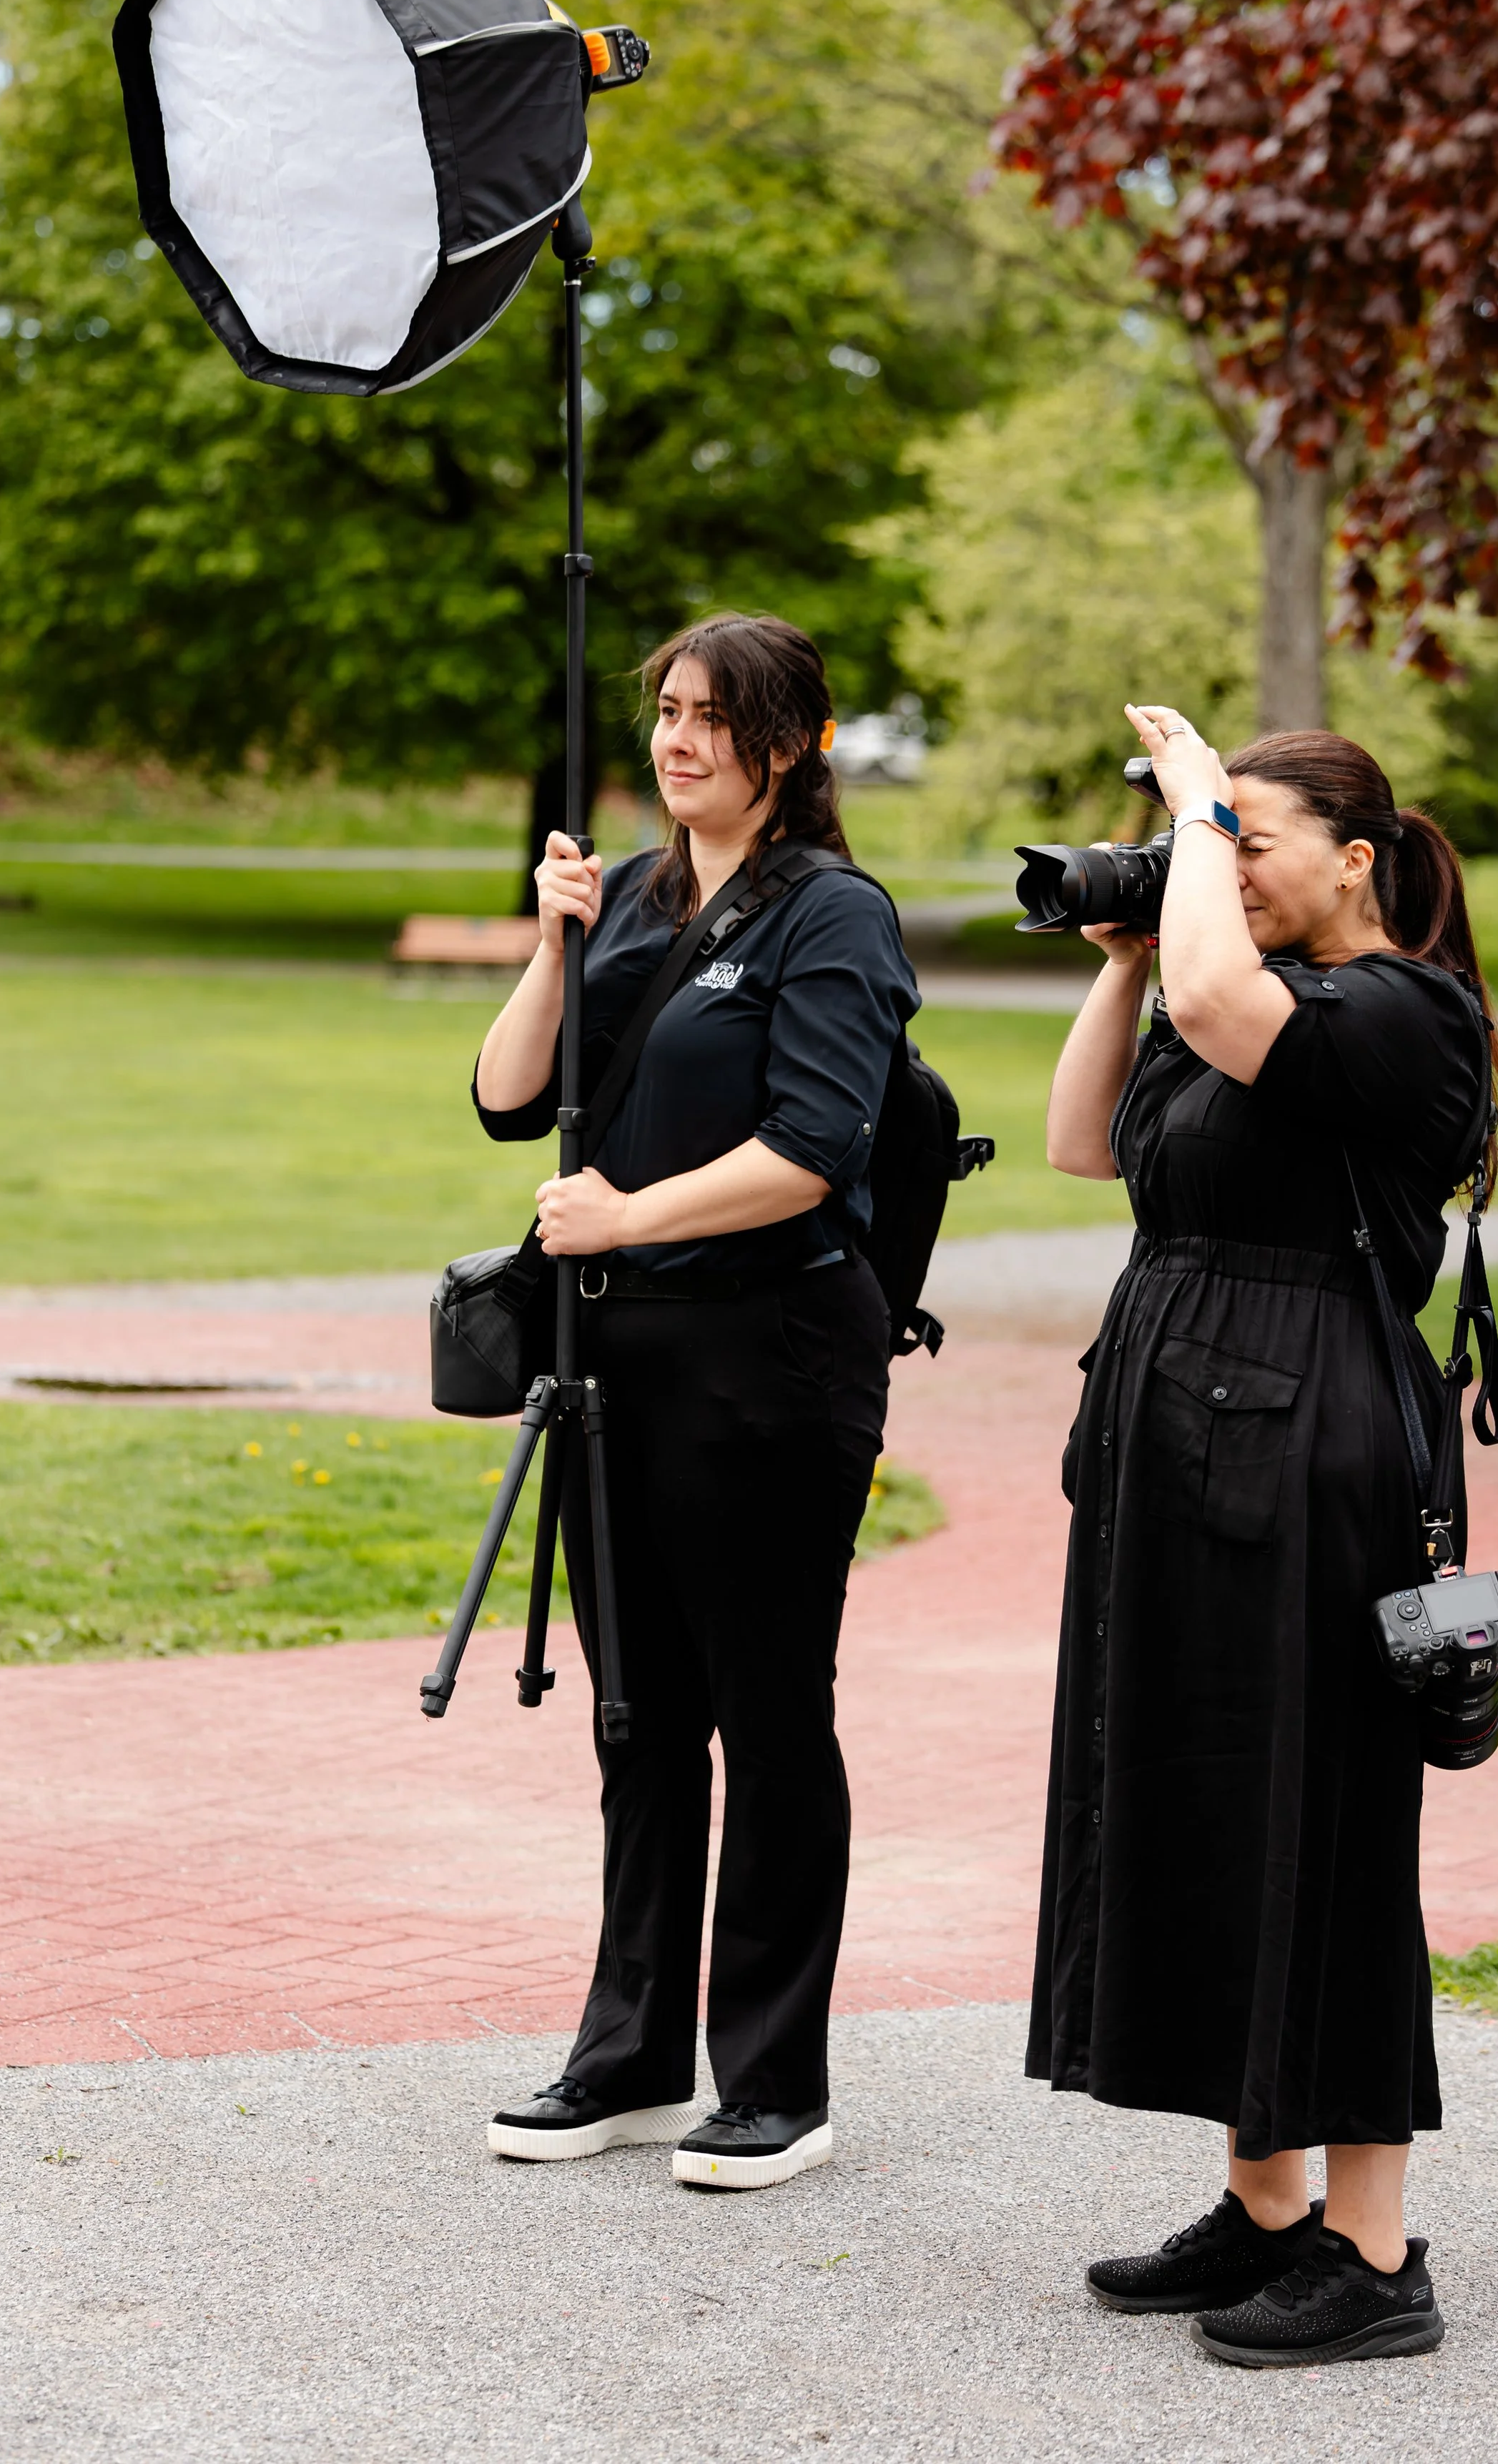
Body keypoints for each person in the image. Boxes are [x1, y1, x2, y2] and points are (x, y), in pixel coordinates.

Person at [1032, 709, 1498, 2366]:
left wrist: (1183, 812)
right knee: (1195, 1803)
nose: (1222, 864)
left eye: (1250, 838)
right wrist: (1119, 953)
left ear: (1353, 861)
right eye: (1214, 840)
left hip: (1314, 1441)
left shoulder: (1403, 1013)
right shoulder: (1213, 990)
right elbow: (1080, 1142)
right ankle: (1263, 2208)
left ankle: (1374, 2258)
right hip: (1173, 1425)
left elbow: (1225, 1006)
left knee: (1321, 1826)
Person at [470, 612, 917, 2191]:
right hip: (623, 1366)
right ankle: (631, 2053)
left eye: (708, 719)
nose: (674, 742)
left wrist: (620, 1219)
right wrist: (553, 940)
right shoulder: (645, 901)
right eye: (663, 711)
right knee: (638, 1715)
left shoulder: (833, 918)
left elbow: (811, 1149)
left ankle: (771, 2077)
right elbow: (510, 1095)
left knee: (770, 1710)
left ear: (785, 745)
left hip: (776, 1360)